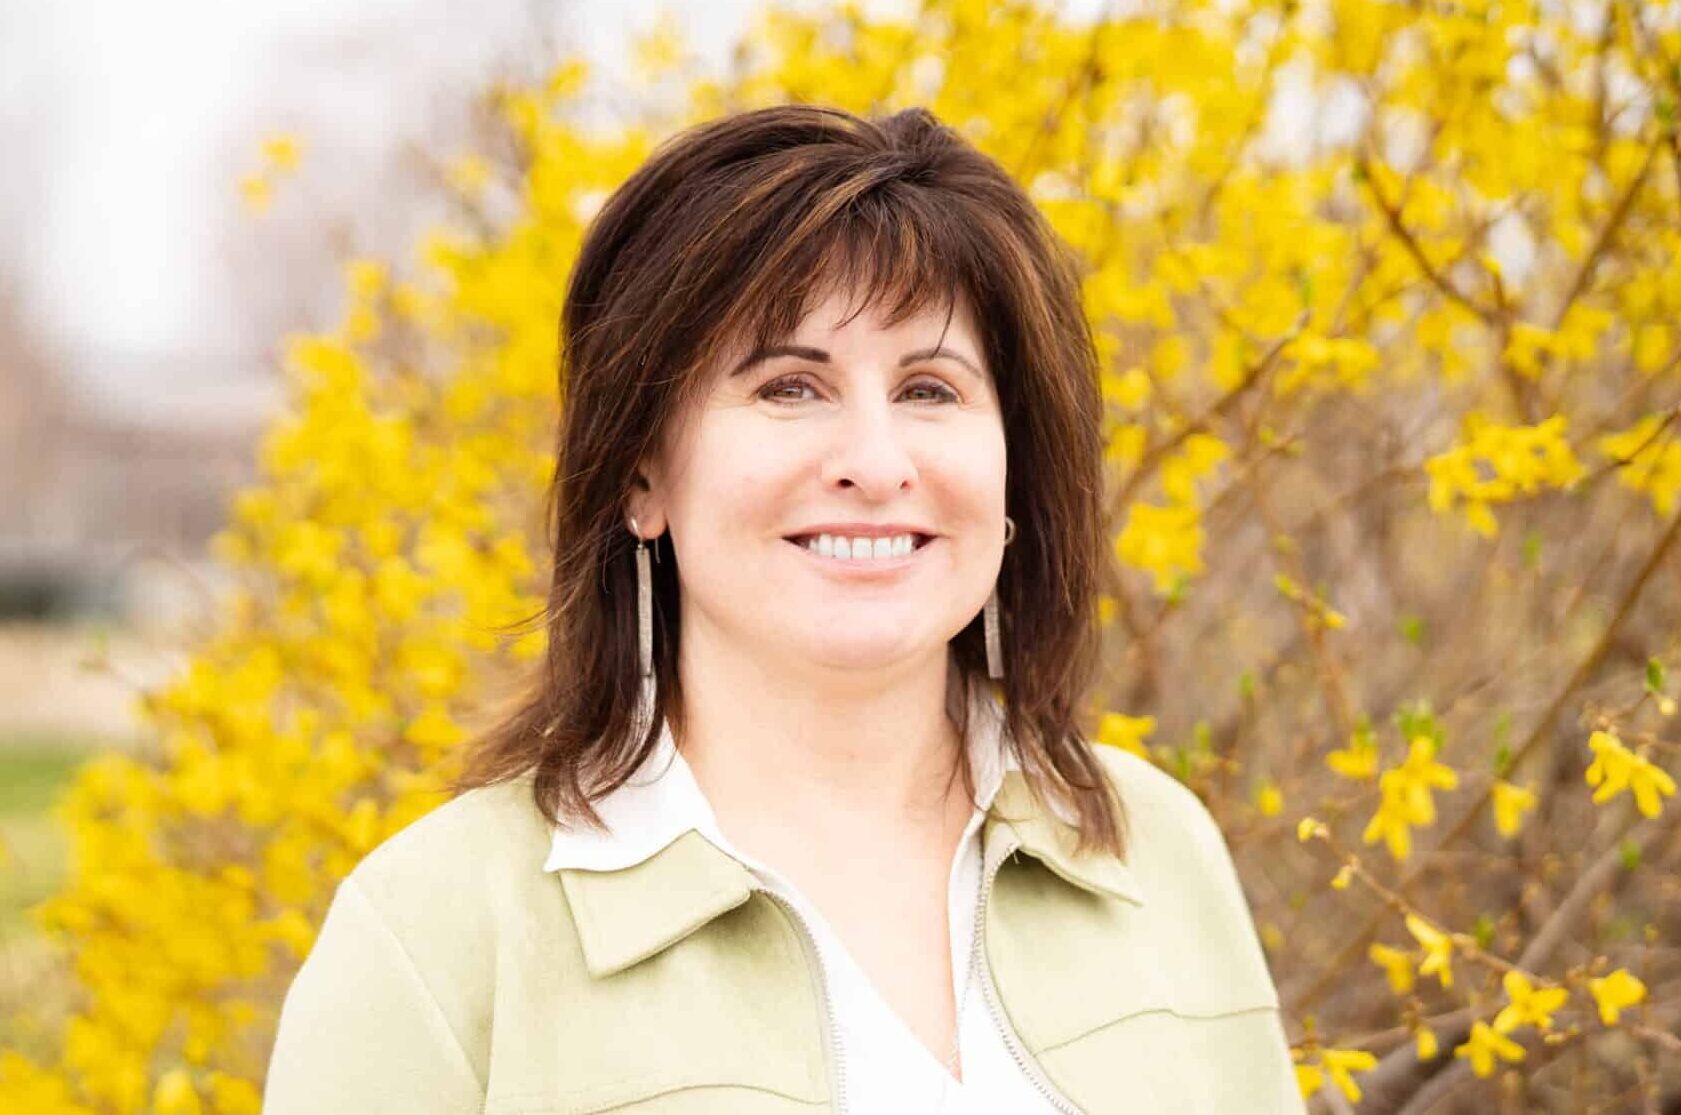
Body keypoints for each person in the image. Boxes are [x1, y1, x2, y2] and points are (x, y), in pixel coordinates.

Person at [263, 103, 1306, 1114]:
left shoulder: (1151, 848)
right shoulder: (439, 930)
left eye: (930, 389)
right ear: (640, 474)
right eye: (788, 387)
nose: (873, 461)